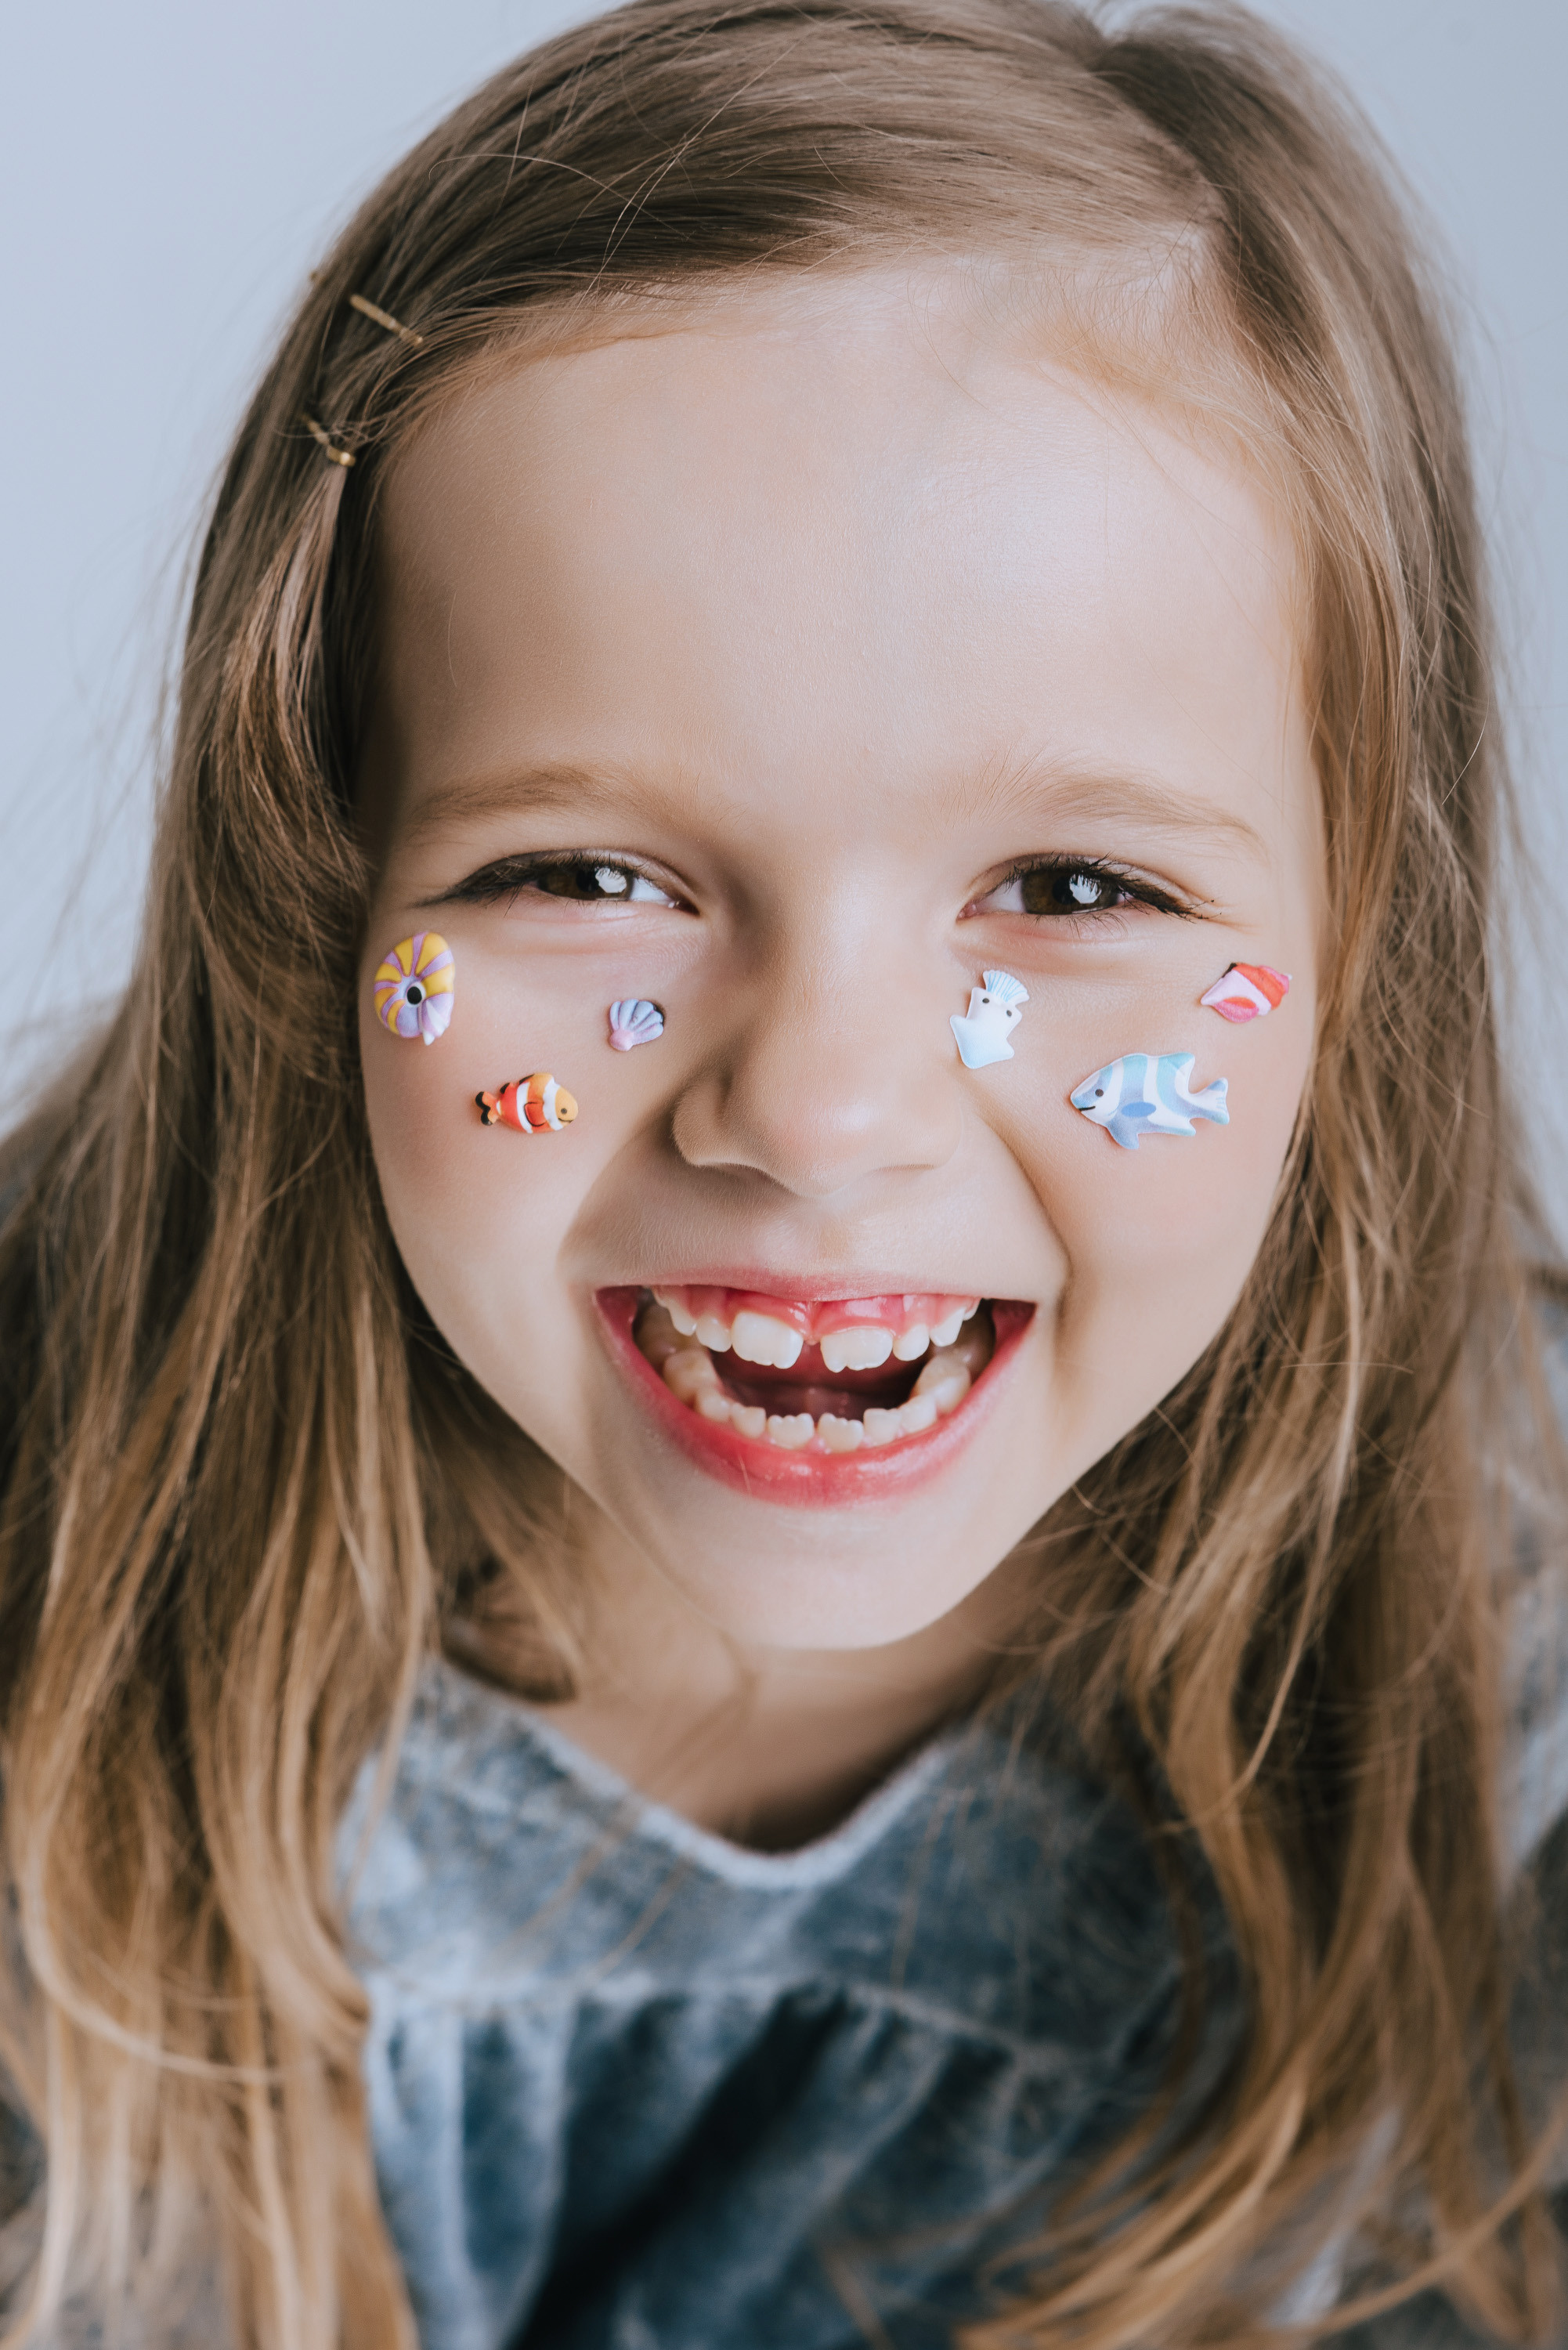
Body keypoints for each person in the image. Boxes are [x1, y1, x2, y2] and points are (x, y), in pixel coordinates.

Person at [2, 1, 1565, 2342]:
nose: (824, 1114)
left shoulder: (1511, 1747)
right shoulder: (51, 1579)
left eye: (1068, 892)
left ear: (1364, 949)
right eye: (581, 875)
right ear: (310, 903)